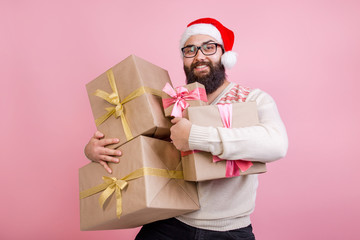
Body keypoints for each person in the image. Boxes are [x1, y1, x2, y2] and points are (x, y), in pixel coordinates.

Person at [84, 18, 288, 240]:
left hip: (229, 231)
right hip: (169, 222)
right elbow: (140, 145)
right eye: (190, 50)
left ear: (224, 54)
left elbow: (276, 145)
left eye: (209, 47)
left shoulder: (252, 99)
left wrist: (194, 136)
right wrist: (94, 150)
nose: (199, 56)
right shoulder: (174, 100)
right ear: (184, 59)